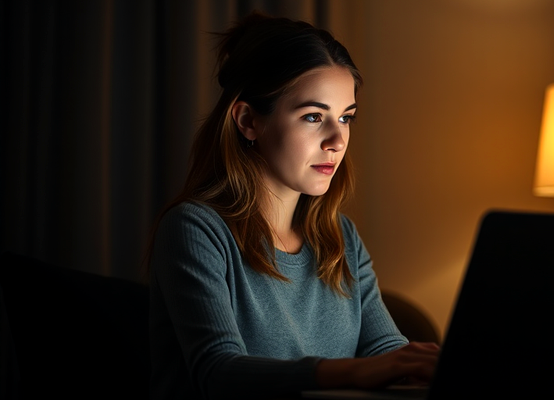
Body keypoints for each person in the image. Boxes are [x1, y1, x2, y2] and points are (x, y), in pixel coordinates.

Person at [146, 10, 440, 400]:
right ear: (249, 120)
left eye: (346, 117)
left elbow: (385, 351)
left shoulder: (341, 237)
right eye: (314, 116)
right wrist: (357, 372)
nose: (337, 139)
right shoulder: (195, 229)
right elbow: (217, 371)